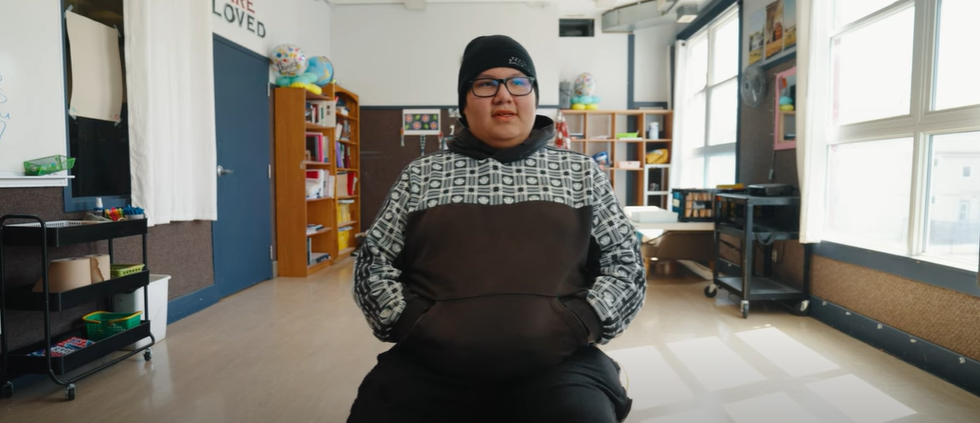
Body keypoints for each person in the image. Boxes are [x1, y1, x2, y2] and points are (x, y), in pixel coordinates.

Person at [349, 34, 646, 423]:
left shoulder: (581, 173)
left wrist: (580, 322)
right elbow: (373, 264)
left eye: (518, 82)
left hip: (559, 366)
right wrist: (413, 322)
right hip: (431, 366)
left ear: (534, 96)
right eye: (486, 83)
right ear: (464, 103)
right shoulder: (420, 176)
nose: (504, 96)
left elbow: (626, 265)